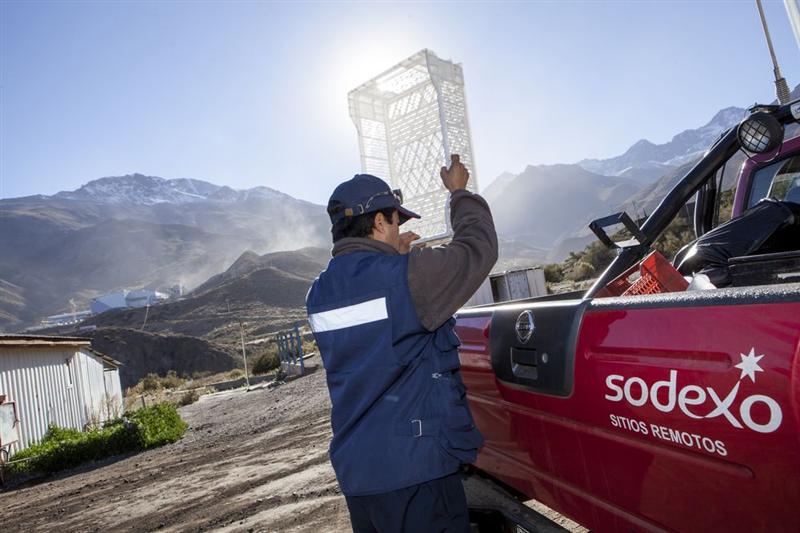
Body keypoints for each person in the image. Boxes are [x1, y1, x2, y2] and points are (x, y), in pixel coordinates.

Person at [306, 154, 498, 532]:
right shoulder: (409, 279)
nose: (399, 231)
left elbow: (377, 322)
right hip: (416, 476)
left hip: (361, 479)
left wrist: (393, 261)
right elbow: (479, 248)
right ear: (379, 221)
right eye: (396, 222)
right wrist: (459, 192)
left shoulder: (318, 294)